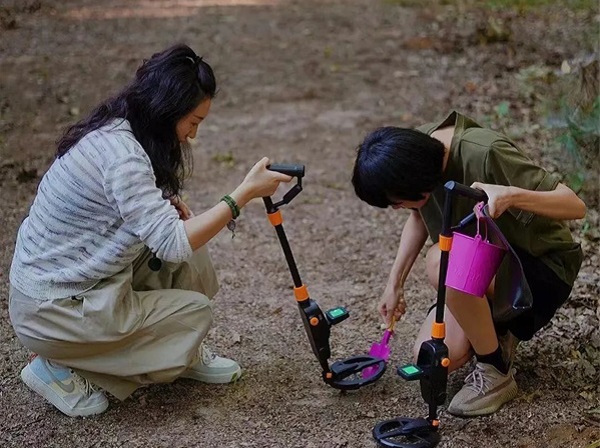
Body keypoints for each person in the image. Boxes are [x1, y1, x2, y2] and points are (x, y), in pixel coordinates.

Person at [8, 43, 292, 417]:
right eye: (193, 122)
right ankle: (56, 365)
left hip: (82, 280)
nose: (192, 135)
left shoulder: (127, 129)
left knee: (191, 237)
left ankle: (178, 350)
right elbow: (173, 245)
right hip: (52, 308)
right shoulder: (123, 157)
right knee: (193, 313)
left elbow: (163, 233)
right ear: (166, 111)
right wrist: (242, 195)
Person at [351, 110, 586, 417]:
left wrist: (512, 196)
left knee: (441, 260)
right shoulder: (418, 155)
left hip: (540, 270)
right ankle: (499, 330)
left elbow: (574, 205)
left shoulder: (485, 152)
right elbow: (418, 215)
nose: (397, 208)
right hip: (481, 266)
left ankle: (495, 373)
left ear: (414, 185)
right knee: (432, 357)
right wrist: (394, 284)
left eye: (396, 201)